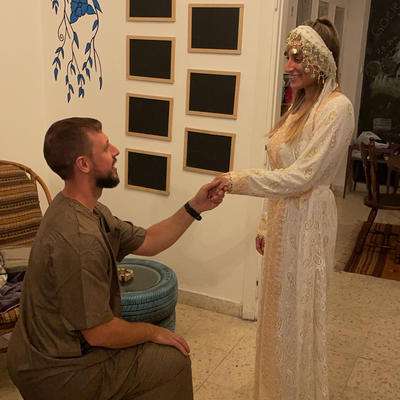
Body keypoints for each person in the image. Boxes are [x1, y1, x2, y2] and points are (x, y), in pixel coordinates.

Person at [7, 117, 225, 400]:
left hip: (50, 353)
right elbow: (99, 333)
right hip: (54, 370)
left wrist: (196, 206)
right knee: (172, 362)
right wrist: (152, 332)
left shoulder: (88, 210)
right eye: (106, 147)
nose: (116, 151)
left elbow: (149, 241)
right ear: (84, 164)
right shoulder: (79, 238)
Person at [213, 18, 355, 399]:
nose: (288, 65)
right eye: (288, 56)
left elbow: (301, 177)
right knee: (276, 314)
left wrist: (237, 180)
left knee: (297, 315)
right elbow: (279, 168)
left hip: (308, 222)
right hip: (282, 222)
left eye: (298, 57)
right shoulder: (298, 106)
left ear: (321, 59)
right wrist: (264, 223)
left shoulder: (337, 109)